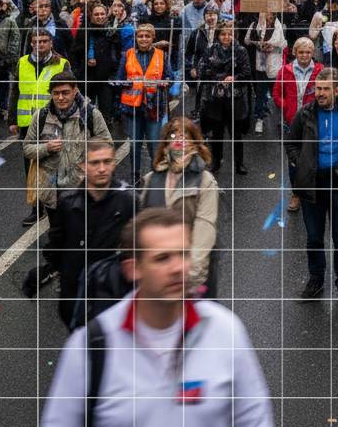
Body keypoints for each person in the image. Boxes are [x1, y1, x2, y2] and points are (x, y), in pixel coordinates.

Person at [39, 207, 275, 427]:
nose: (177, 268)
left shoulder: (226, 333)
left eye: (183, 254)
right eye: (162, 258)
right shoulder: (90, 347)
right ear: (133, 269)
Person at [287, 69, 338, 309]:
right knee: (314, 238)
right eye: (317, 88)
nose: (320, 93)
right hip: (312, 183)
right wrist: (300, 161)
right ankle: (316, 280)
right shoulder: (305, 115)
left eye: (325, 89)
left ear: (336, 90)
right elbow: (291, 142)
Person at [48, 137, 135, 330]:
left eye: (107, 162)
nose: (102, 168)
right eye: (95, 163)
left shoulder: (128, 202)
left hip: (113, 296)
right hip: (77, 296)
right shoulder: (68, 203)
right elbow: (56, 245)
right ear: (82, 166)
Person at [23, 70, 112, 236]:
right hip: (52, 194)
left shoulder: (91, 115)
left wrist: (88, 159)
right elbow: (27, 148)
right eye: (56, 93)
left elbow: (108, 146)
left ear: (75, 91)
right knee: (58, 236)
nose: (60, 98)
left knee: (82, 236)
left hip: (82, 191)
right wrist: (45, 148)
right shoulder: (41, 116)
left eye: (65, 93)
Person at [141, 118, 219, 297]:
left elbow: (204, 232)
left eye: (185, 136)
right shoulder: (150, 180)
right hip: (156, 281)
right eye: (174, 134)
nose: (179, 139)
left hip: (189, 281)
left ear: (194, 143)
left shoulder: (205, 182)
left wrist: (187, 281)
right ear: (166, 143)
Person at [11, 29, 72, 225]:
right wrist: (11, 119)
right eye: (36, 41)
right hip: (28, 124)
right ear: (31, 43)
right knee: (31, 168)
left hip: (53, 123)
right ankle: (36, 208)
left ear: (51, 43)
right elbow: (15, 91)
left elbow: (71, 93)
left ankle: (59, 205)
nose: (40, 45)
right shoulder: (22, 63)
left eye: (44, 41)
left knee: (56, 166)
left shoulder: (61, 63)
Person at [116, 22, 171, 183]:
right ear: (136, 38)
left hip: (154, 108)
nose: (144, 39)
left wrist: (164, 82)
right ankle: (134, 177)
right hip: (133, 108)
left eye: (147, 36)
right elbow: (119, 80)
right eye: (140, 36)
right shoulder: (127, 54)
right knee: (135, 145)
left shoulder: (162, 55)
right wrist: (132, 83)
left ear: (153, 38)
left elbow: (170, 77)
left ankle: (157, 177)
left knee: (154, 145)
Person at [273, 37, 323, 212]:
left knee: (314, 156)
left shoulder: (320, 70)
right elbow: (277, 94)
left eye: (308, 52)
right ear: (295, 53)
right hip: (291, 123)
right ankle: (296, 194)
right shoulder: (284, 71)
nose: (304, 55)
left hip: (314, 122)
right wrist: (287, 107)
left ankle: (313, 190)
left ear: (312, 53)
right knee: (294, 160)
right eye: (301, 52)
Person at [196, 21, 252, 176]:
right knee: (216, 133)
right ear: (218, 35)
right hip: (215, 98)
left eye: (230, 34)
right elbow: (203, 70)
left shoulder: (241, 51)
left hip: (235, 98)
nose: (226, 37)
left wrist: (234, 78)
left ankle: (239, 163)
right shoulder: (210, 50)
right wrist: (218, 78)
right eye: (223, 34)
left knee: (236, 133)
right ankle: (216, 162)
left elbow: (247, 73)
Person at [243, 10, 286, 135]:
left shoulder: (279, 26)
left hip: (274, 65)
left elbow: (283, 44)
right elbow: (246, 40)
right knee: (261, 93)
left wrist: (273, 47)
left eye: (270, 17)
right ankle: (259, 119)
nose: (268, 20)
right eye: (265, 17)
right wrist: (257, 44)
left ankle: (281, 119)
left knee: (277, 94)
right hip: (260, 66)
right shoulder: (254, 25)